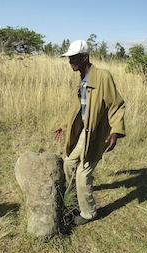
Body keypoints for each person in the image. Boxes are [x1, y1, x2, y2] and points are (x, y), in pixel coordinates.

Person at [55, 40, 126, 226]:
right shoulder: (82, 79)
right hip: (83, 132)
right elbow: (77, 108)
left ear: (85, 57)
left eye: (73, 58)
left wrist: (116, 132)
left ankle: (89, 212)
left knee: (83, 173)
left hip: (96, 135)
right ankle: (73, 196)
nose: (70, 62)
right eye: (69, 58)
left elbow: (116, 105)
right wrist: (64, 126)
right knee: (69, 162)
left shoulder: (103, 77)